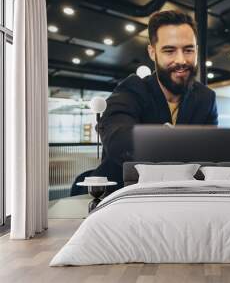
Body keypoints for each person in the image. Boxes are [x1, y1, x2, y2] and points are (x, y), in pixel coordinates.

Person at [89, 10, 218, 191]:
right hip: (124, 196)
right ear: (152, 52)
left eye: (188, 50)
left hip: (183, 196)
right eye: (169, 50)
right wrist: (172, 139)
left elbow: (211, 154)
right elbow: (117, 138)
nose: (181, 60)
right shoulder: (132, 89)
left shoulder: (206, 97)